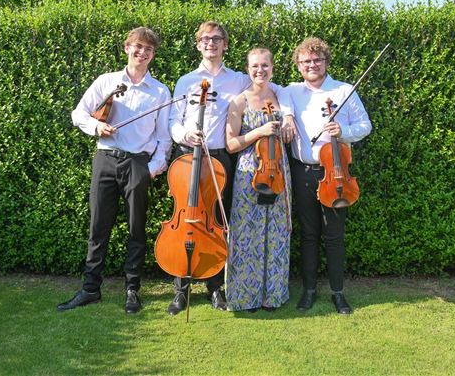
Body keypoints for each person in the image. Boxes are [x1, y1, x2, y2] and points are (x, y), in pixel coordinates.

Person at [57, 27, 172, 314]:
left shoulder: (160, 91)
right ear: (126, 48)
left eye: (147, 49)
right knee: (98, 226)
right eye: (137, 46)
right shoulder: (106, 81)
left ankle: (132, 290)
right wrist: (97, 126)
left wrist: (153, 169)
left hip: (137, 163)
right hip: (106, 159)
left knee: (136, 228)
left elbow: (164, 137)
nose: (141, 52)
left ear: (153, 55)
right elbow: (78, 114)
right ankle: (90, 288)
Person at [166, 21, 255, 316]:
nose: (211, 43)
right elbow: (172, 121)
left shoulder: (240, 81)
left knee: (217, 222)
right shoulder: (186, 81)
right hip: (189, 156)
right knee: (187, 220)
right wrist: (185, 135)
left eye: (216, 39)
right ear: (198, 44)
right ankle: (181, 289)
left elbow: (266, 91)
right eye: (205, 39)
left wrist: (289, 112)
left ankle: (216, 287)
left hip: (221, 159)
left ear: (225, 44)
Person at [279, 37, 372, 314]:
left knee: (334, 235)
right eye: (305, 61)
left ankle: (338, 292)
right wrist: (286, 118)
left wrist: (343, 132)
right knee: (308, 234)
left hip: (336, 174)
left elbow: (365, 125)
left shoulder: (344, 90)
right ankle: (308, 291)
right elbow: (283, 110)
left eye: (317, 60)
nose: (312, 65)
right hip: (303, 171)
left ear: (326, 62)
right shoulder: (290, 91)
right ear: (298, 65)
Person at [224, 48, 292, 312]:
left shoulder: (282, 97)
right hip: (249, 171)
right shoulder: (238, 102)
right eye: (254, 66)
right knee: (246, 231)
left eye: (265, 65)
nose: (260, 70)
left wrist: (287, 128)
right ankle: (245, 297)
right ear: (248, 69)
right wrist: (259, 132)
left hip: (278, 169)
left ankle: (272, 295)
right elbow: (231, 144)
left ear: (272, 68)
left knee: (276, 231)